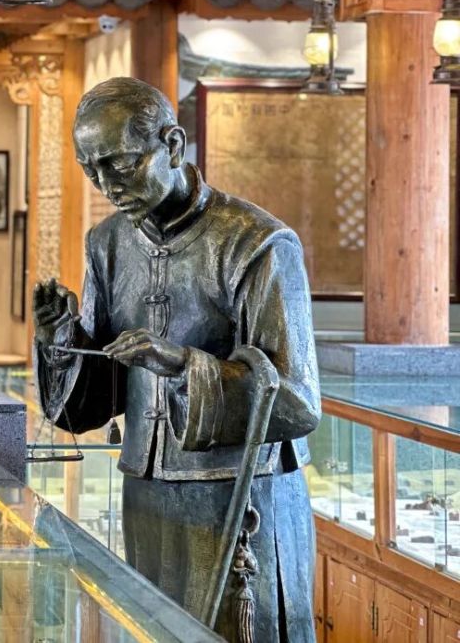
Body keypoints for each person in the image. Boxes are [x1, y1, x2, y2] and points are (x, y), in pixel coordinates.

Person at [33, 77, 319, 642]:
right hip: (148, 498)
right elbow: (94, 401)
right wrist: (61, 337)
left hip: (241, 501)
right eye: (91, 170)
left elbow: (297, 401)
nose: (107, 185)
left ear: (172, 144)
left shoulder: (257, 243)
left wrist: (183, 365)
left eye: (120, 164)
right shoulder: (107, 244)